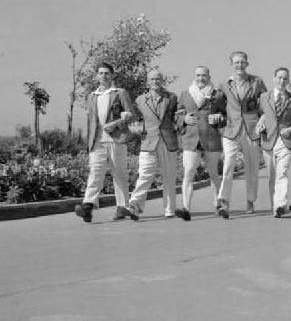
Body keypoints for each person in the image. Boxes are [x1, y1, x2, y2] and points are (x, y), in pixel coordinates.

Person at [74, 62, 138, 223]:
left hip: (116, 140)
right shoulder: (92, 96)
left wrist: (116, 123)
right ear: (97, 76)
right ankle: (87, 206)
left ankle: (123, 207)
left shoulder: (120, 93)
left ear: (112, 75)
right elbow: (91, 121)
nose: (104, 76)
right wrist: (89, 141)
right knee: (95, 172)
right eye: (101, 73)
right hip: (97, 141)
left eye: (107, 73)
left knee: (119, 173)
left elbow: (132, 115)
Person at [175, 66, 227, 220]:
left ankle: (218, 205)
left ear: (209, 76)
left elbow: (225, 115)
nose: (201, 78)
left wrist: (219, 118)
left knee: (213, 173)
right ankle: (186, 208)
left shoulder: (217, 95)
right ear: (194, 76)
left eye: (204, 75)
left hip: (211, 138)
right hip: (191, 139)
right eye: (198, 75)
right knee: (189, 171)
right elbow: (176, 116)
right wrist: (183, 119)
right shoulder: (185, 94)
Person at [218, 51, 267, 214]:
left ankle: (250, 201)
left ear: (247, 63)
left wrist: (263, 118)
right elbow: (217, 106)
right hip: (231, 129)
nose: (239, 65)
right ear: (231, 63)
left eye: (242, 62)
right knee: (228, 164)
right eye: (236, 62)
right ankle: (223, 201)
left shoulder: (257, 81)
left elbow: (266, 103)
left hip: (251, 129)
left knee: (252, 167)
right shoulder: (224, 84)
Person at [128, 70, 179, 218]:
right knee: (144, 174)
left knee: (169, 176)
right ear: (147, 82)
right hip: (148, 141)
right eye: (152, 79)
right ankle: (135, 205)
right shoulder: (140, 100)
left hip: (168, 141)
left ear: (162, 81)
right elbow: (133, 118)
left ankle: (170, 209)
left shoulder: (172, 97)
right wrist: (135, 126)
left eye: (158, 79)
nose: (155, 81)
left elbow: (178, 116)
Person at [256, 67, 291, 218]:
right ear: (274, 78)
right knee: (272, 176)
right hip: (268, 140)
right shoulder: (264, 97)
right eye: (279, 78)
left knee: (282, 173)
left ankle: (280, 205)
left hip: (286, 140)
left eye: (285, 79)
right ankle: (274, 205)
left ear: (288, 81)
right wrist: (260, 123)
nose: (282, 81)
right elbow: (260, 114)